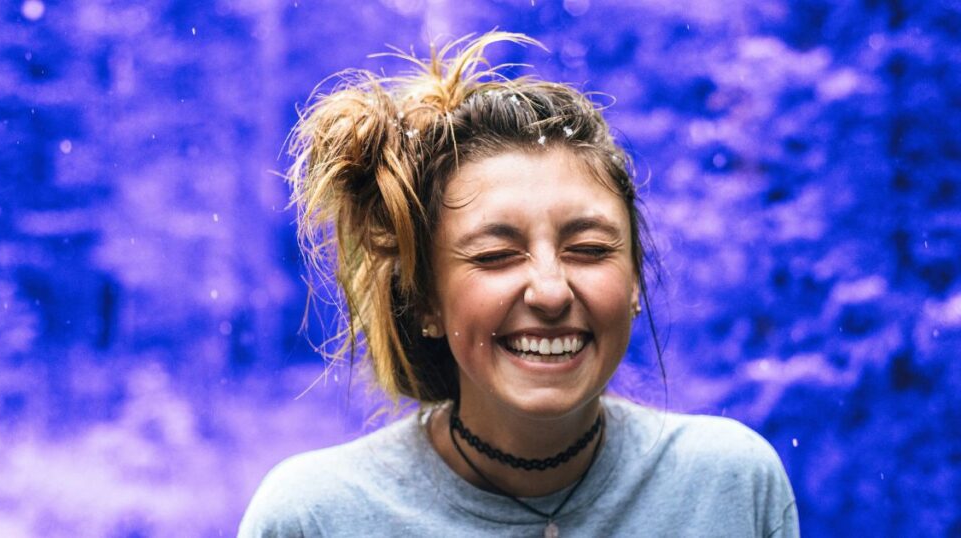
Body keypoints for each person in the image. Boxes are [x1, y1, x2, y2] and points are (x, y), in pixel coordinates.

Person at [239, 32, 799, 537]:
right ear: (427, 299)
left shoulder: (730, 488)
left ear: (634, 281)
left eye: (589, 250)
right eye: (496, 255)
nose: (551, 292)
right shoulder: (314, 519)